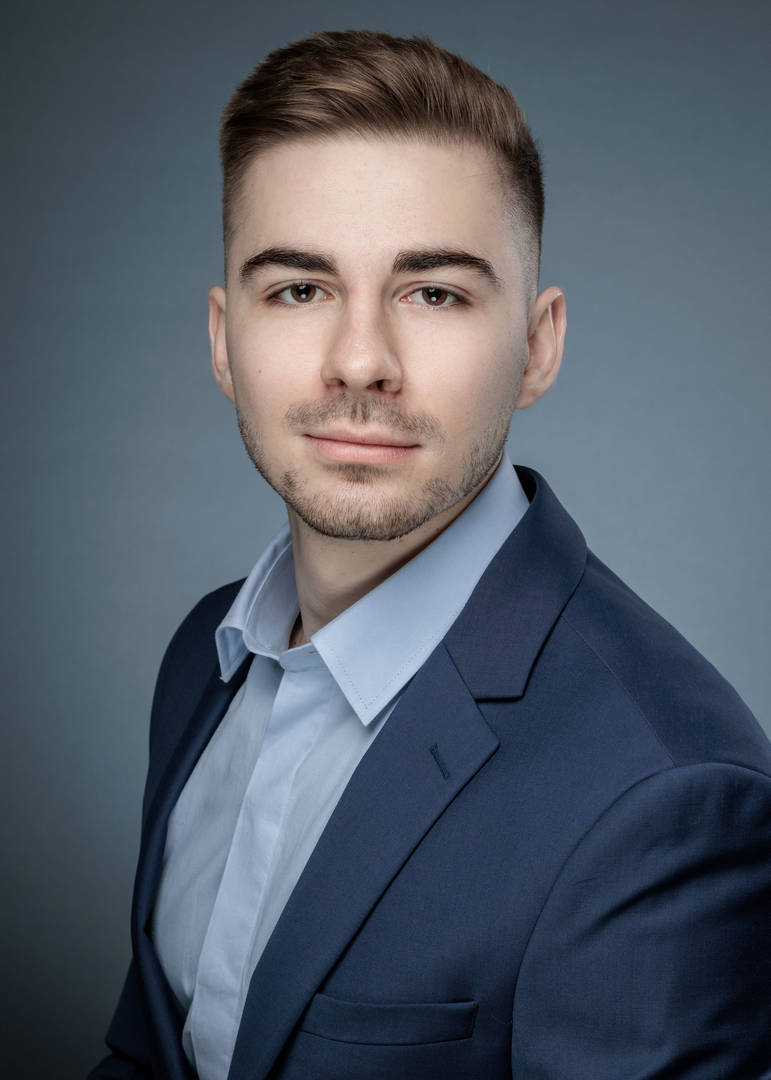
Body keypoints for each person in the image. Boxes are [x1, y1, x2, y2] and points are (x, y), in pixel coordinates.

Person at [89, 29, 771, 1080]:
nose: (361, 360)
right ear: (224, 341)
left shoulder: (668, 800)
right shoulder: (202, 659)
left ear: (537, 346)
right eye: (300, 289)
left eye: (435, 292)